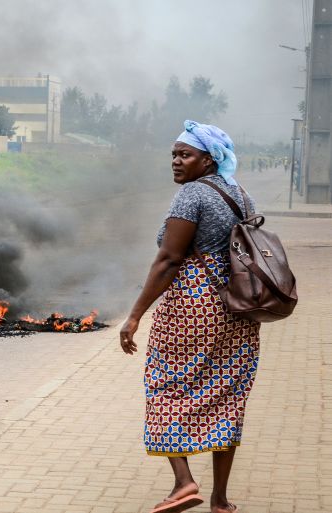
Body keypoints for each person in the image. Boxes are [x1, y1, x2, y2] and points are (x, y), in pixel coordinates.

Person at [119, 120, 260, 513]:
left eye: (185, 155)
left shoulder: (191, 196)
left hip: (192, 306)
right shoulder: (242, 195)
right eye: (174, 155)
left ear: (208, 159)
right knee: (228, 397)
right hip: (238, 308)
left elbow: (168, 260)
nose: (176, 162)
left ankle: (184, 482)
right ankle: (220, 500)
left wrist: (134, 317)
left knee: (164, 384)